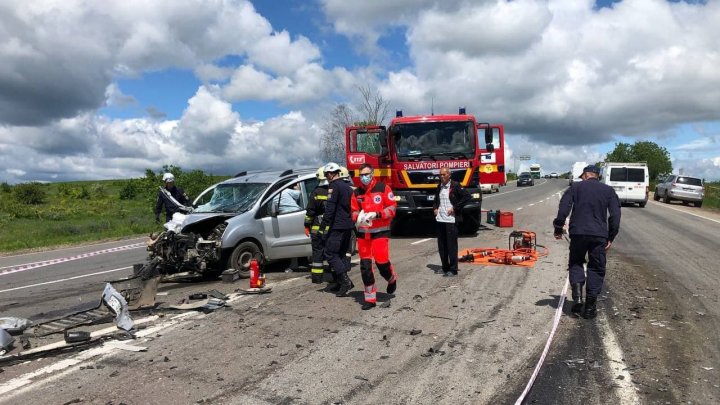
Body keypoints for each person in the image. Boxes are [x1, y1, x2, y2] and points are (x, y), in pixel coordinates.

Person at [553, 164, 621, 319]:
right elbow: (615, 216)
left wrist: (558, 228)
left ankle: (577, 298)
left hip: (578, 233)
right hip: (599, 235)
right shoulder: (608, 190)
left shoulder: (575, 188)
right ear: (597, 176)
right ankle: (590, 308)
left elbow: (563, 208)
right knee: (596, 268)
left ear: (585, 175)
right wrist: (611, 236)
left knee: (576, 262)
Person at [350, 163, 397, 310]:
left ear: (372, 174)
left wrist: (378, 214)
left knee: (382, 263)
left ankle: (391, 278)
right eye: (361, 175)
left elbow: (392, 207)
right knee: (365, 267)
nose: (363, 177)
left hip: (380, 232)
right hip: (363, 234)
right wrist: (359, 217)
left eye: (366, 174)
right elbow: (353, 211)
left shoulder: (383, 188)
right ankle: (370, 299)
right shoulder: (356, 193)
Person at [319, 162, 355, 297]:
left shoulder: (334, 187)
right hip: (349, 226)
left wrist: (323, 227)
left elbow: (330, 209)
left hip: (338, 226)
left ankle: (345, 281)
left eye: (326, 174)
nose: (326, 177)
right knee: (340, 254)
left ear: (330, 173)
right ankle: (340, 282)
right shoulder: (348, 187)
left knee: (330, 253)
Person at [433, 166, 471, 277]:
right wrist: (435, 208)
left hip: (451, 220)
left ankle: (453, 269)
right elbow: (436, 200)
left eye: (444, 174)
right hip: (440, 219)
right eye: (440, 174)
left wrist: (455, 208)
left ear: (449, 175)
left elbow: (467, 196)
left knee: (451, 246)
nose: (442, 176)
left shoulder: (455, 186)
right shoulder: (439, 186)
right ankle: (445, 267)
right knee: (442, 246)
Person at [305, 167, 329, 284]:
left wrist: (306, 225)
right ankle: (334, 276)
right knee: (332, 252)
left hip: (317, 228)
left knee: (317, 253)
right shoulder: (333, 190)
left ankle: (317, 278)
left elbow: (310, 212)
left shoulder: (316, 192)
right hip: (331, 229)